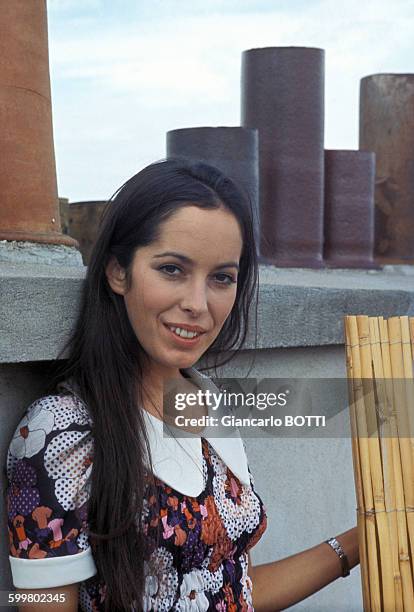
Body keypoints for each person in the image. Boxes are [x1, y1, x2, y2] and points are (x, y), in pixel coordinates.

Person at [5, 159, 359, 611]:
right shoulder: (60, 433)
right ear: (118, 271)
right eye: (172, 269)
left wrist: (362, 540)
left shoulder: (205, 399)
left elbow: (229, 592)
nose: (198, 304)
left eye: (222, 278)